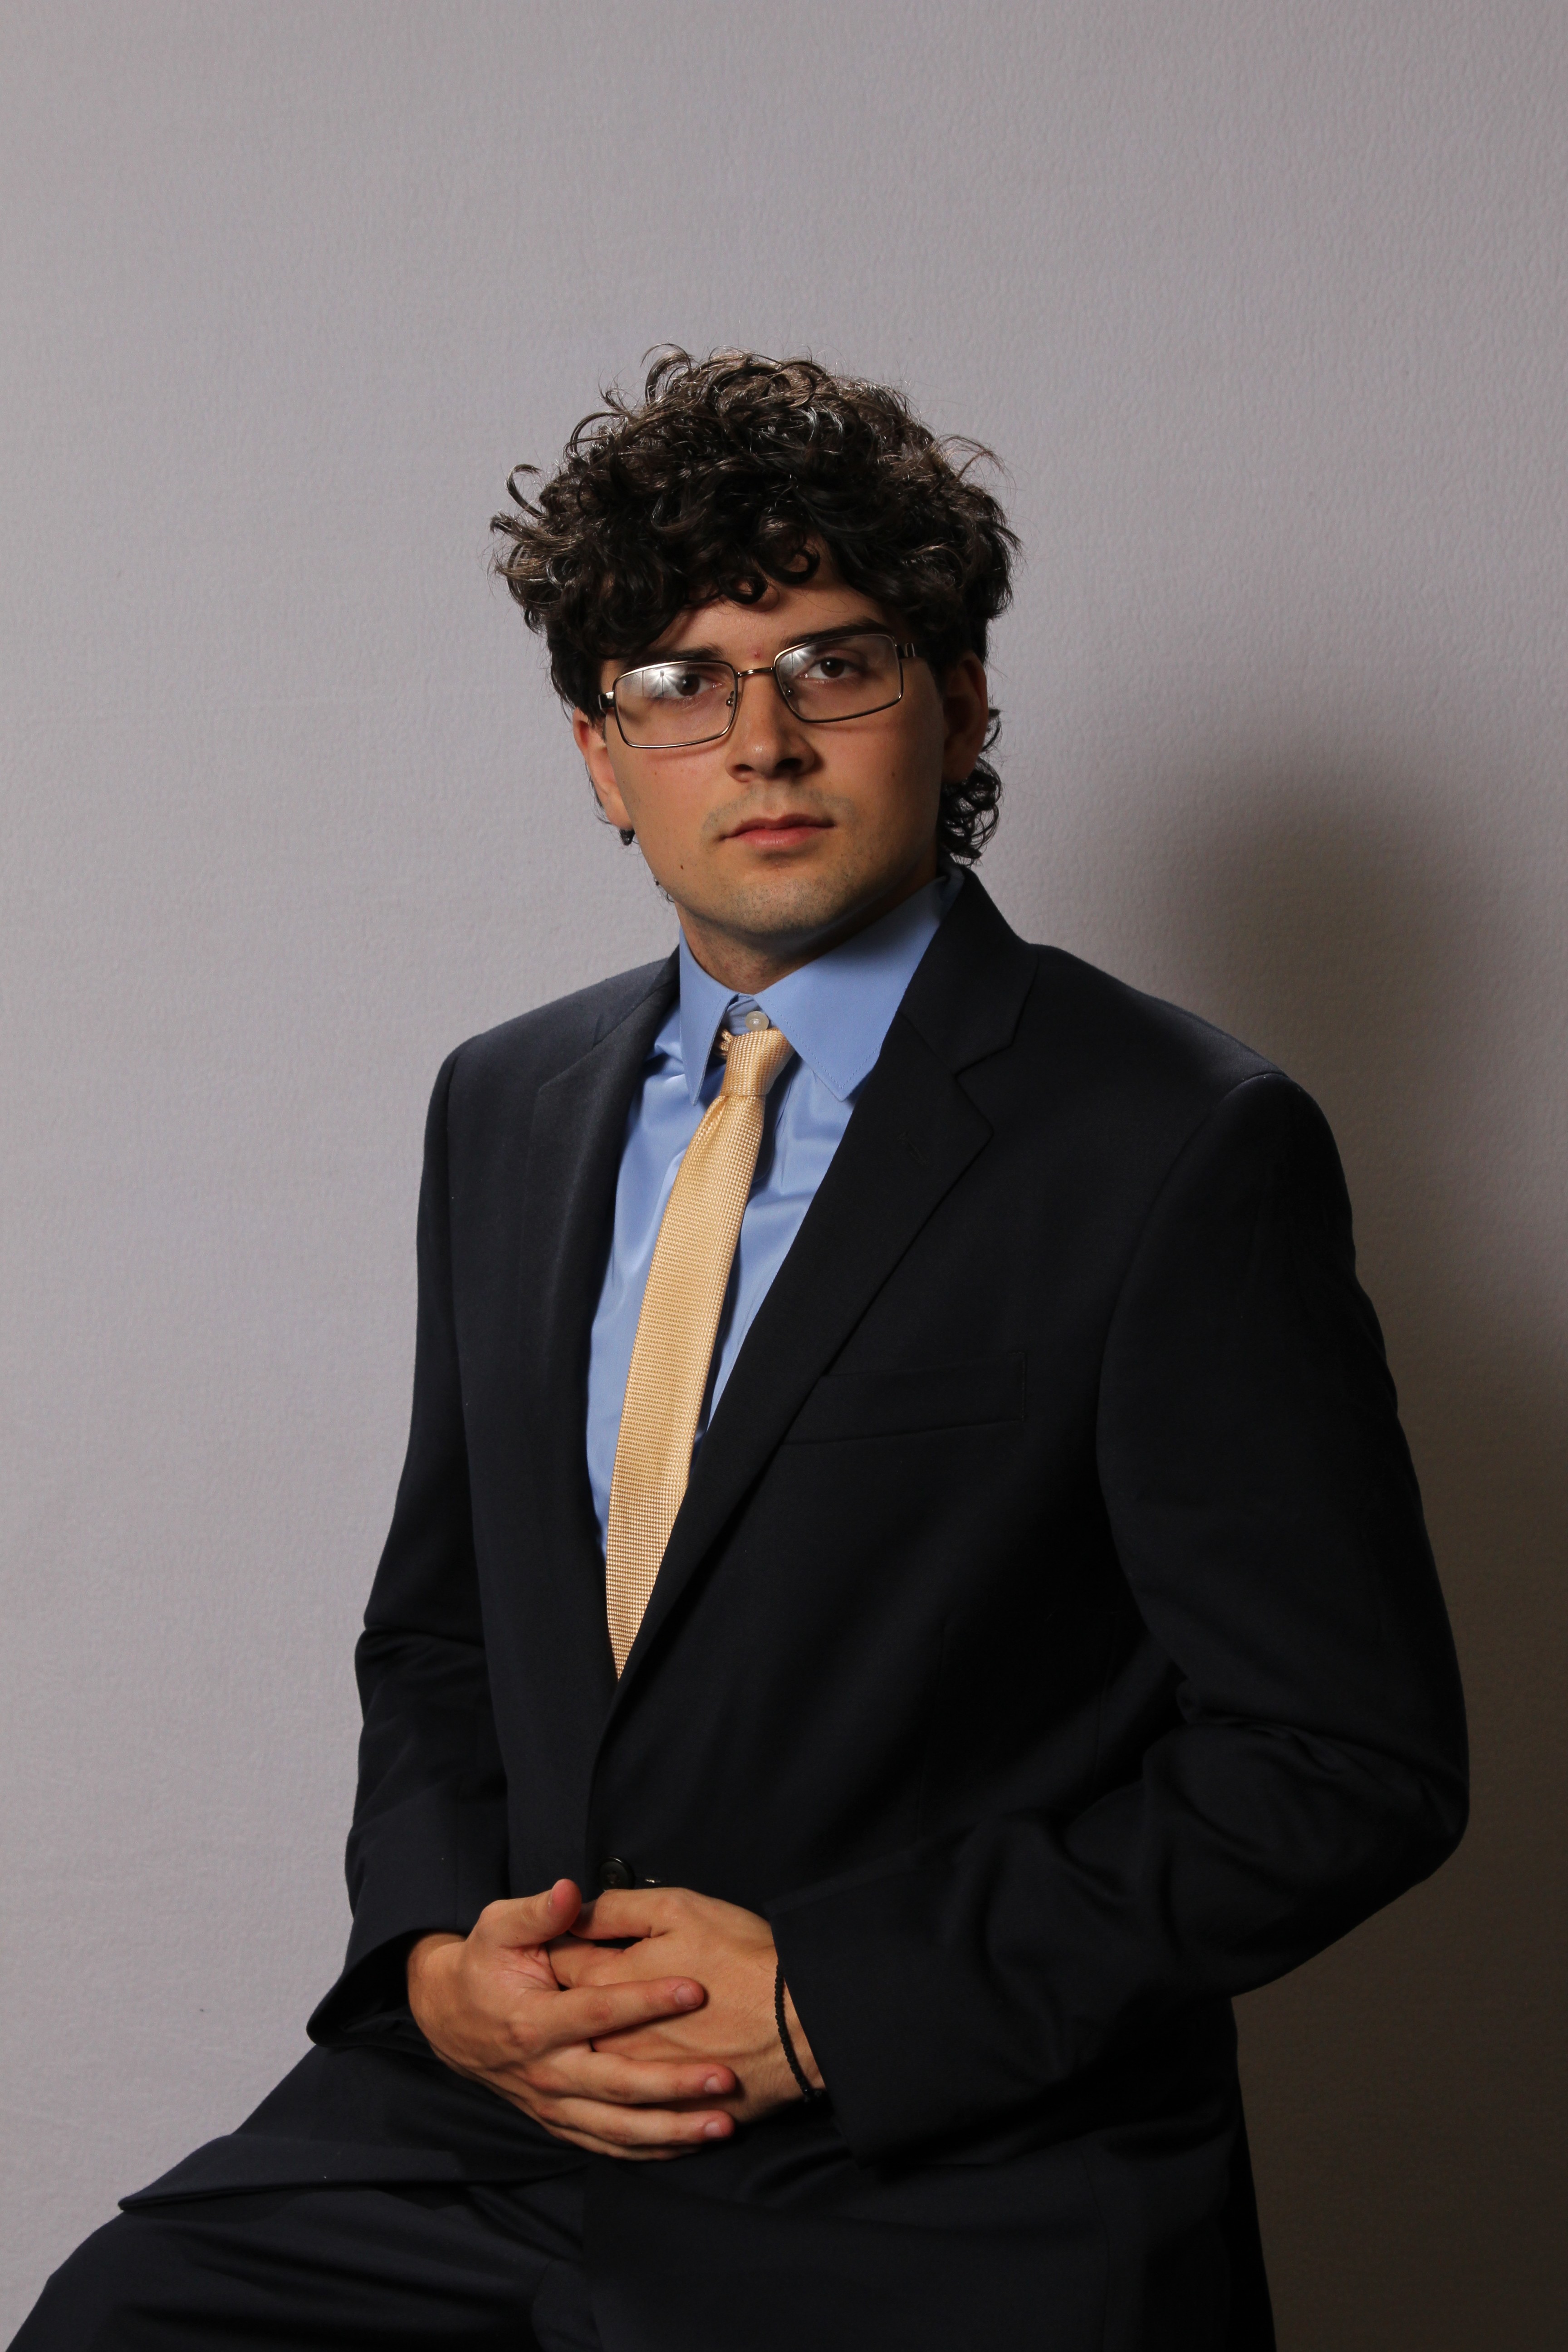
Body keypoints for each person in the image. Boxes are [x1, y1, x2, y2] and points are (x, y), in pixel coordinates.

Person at [14, 351, 1468, 2352]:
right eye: (681, 683)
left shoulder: (1179, 1144)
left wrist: (838, 2004)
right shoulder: (507, 1104)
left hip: (943, 2150)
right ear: (603, 757)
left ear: (961, 705)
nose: (761, 741)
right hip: (504, 2123)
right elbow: (443, 1632)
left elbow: (1343, 1764)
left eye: (833, 667)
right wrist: (433, 1961)